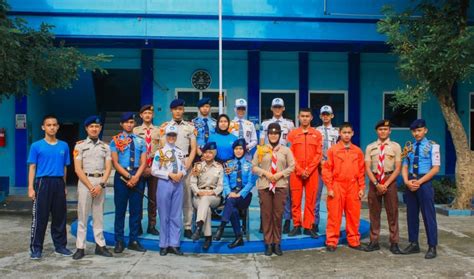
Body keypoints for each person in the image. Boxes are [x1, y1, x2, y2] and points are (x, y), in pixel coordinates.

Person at [28, 115, 72, 260]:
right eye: (49, 125)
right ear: (43, 127)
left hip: (58, 183)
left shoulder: (64, 145)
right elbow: (32, 167)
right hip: (42, 183)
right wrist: (30, 187)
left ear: (58, 127)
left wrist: (64, 186)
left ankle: (60, 246)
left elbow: (65, 168)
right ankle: (36, 248)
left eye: (54, 125)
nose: (52, 127)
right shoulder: (36, 146)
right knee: (40, 217)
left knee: (60, 217)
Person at [72, 116, 113, 260]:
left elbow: (108, 167)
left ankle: (100, 245)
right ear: (86, 128)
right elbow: (78, 169)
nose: (94, 129)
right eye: (91, 126)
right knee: (82, 215)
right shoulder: (79, 146)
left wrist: (101, 185)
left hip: (100, 182)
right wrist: (91, 186)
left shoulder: (106, 147)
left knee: (98, 216)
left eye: (97, 126)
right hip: (85, 182)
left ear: (100, 128)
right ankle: (80, 247)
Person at [253, 123, 295, 256]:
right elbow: (254, 166)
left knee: (277, 215)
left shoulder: (285, 150)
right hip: (265, 185)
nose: (273, 135)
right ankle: (268, 243)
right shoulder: (261, 150)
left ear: (280, 135)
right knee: (266, 215)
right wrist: (266, 174)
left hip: (280, 186)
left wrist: (279, 175)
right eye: (271, 133)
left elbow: (292, 166)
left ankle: (277, 243)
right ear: (267, 135)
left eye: (276, 133)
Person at [322, 122, 365, 252]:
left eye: (349, 133)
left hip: (353, 186)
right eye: (344, 132)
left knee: (353, 215)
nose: (346, 135)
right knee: (334, 215)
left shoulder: (357, 151)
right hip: (337, 185)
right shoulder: (333, 150)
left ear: (352, 134)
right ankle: (331, 241)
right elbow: (327, 170)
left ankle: (353, 240)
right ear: (339, 133)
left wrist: (361, 187)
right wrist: (329, 187)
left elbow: (361, 171)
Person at [402, 119, 440, 259]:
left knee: (428, 215)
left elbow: (435, 168)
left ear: (425, 130)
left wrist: (419, 181)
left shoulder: (433, 146)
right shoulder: (409, 147)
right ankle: (413, 243)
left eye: (419, 130)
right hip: (411, 181)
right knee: (411, 214)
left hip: (424, 182)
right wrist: (406, 181)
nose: (416, 133)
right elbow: (405, 166)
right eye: (414, 131)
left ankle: (432, 246)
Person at [160, 99, 197, 239]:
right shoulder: (164, 127)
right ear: (171, 111)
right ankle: (169, 226)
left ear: (183, 110)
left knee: (187, 197)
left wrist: (188, 164)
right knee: (169, 197)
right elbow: (163, 148)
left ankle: (187, 226)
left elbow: (194, 148)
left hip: (186, 165)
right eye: (175, 109)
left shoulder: (189, 127)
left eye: (180, 109)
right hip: (170, 166)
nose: (178, 111)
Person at [110, 112, 147, 253]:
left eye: (131, 122)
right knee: (120, 210)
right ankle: (119, 241)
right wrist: (128, 176)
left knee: (136, 210)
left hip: (137, 175)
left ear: (134, 124)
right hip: (121, 176)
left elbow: (143, 162)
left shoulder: (140, 141)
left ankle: (134, 240)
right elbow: (115, 161)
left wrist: (136, 177)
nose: (129, 124)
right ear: (121, 124)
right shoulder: (115, 141)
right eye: (126, 122)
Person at [364, 120, 402, 254]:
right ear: (376, 131)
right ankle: (374, 241)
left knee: (393, 213)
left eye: (386, 129)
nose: (383, 131)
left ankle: (394, 242)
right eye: (380, 129)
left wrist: (385, 184)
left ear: (390, 131)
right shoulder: (370, 147)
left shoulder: (396, 146)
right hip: (374, 181)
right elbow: (367, 167)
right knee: (374, 213)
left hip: (389, 180)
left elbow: (398, 168)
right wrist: (376, 184)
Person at [260, 98, 295, 233]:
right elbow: (262, 143)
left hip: (283, 159)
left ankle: (286, 220)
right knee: (265, 190)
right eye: (275, 107)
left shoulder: (289, 124)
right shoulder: (265, 123)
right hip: (268, 158)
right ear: (271, 108)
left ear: (284, 108)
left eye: (280, 107)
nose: (277, 109)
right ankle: (265, 221)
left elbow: (292, 142)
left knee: (284, 191)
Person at [151, 125, 187, 256]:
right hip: (165, 183)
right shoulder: (159, 153)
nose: (171, 137)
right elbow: (154, 170)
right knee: (164, 214)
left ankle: (174, 244)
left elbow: (184, 167)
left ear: (176, 137)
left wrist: (181, 174)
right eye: (169, 135)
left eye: (174, 135)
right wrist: (169, 175)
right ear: (165, 137)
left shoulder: (179, 152)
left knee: (176, 215)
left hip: (178, 184)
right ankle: (164, 244)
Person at [287, 108, 322, 238]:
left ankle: (308, 226)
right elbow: (290, 154)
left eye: (307, 116)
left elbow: (319, 154)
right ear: (298, 117)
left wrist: (309, 169)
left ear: (311, 117)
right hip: (296, 172)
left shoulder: (317, 134)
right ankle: (296, 225)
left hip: (312, 172)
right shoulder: (293, 134)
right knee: (295, 200)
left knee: (311, 200)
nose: (305, 118)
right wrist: (300, 170)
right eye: (302, 116)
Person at [214, 138, 255, 248]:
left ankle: (221, 226)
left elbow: (251, 183)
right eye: (236, 148)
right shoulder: (228, 164)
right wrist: (228, 193)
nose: (238, 151)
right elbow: (225, 181)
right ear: (233, 150)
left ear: (244, 150)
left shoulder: (249, 165)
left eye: (240, 148)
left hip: (244, 196)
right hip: (231, 194)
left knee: (231, 202)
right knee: (233, 209)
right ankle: (239, 237)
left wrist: (240, 194)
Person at [189, 142, 224, 250]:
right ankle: (207, 237)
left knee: (206, 200)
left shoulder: (219, 167)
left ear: (214, 154)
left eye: (210, 152)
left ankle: (199, 228)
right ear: (203, 154)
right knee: (206, 209)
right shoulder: (197, 166)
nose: (208, 155)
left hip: (214, 196)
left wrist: (212, 192)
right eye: (206, 152)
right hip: (199, 196)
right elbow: (192, 182)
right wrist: (198, 192)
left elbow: (221, 185)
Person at [133, 104, 160, 236]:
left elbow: (162, 152)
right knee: (137, 198)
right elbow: (133, 151)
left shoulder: (159, 131)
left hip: (154, 169)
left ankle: (152, 224)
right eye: (145, 113)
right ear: (141, 115)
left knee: (153, 198)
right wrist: (141, 168)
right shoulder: (135, 131)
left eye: (150, 113)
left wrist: (153, 168)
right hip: (139, 169)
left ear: (153, 115)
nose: (148, 115)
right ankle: (137, 225)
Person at [314, 105, 339, 233]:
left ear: (332, 116)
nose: (325, 116)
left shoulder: (337, 132)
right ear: (320, 116)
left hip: (332, 168)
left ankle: (333, 224)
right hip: (319, 167)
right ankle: (315, 223)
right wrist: (319, 161)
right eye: (323, 114)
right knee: (316, 196)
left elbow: (339, 150)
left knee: (333, 196)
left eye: (327, 114)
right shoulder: (316, 131)